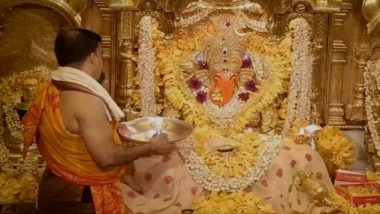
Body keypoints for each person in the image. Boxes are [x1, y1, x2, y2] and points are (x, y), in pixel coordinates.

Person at [22, 28, 175, 214]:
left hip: (54, 186)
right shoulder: (85, 101)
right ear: (93, 56)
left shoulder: (51, 88)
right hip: (80, 197)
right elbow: (106, 158)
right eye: (101, 54)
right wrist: (151, 147)